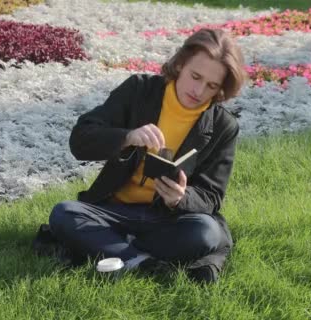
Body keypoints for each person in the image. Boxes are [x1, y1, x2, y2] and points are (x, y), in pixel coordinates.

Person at [45, 28, 247, 283]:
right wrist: (127, 137)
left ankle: (117, 251)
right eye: (195, 76)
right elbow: (80, 140)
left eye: (211, 86)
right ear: (181, 63)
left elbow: (212, 196)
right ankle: (146, 262)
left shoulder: (223, 126)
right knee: (64, 213)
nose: (198, 90)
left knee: (206, 232)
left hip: (168, 220)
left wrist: (181, 199)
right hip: (114, 211)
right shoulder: (139, 90)